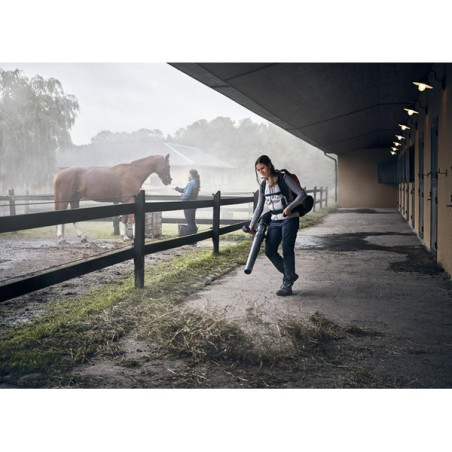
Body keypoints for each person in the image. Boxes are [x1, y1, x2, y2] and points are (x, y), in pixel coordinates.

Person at [249, 155, 307, 296]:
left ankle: (287, 284)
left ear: (269, 165)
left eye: (262, 168)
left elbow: (301, 194)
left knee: (287, 249)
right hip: (274, 220)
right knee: (269, 251)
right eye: (258, 170)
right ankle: (290, 275)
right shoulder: (263, 185)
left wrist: (290, 207)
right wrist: (252, 224)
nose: (261, 171)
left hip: (290, 218)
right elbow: (259, 207)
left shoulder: (284, 178)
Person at [174, 169, 201, 234]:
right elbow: (186, 190)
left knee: (189, 221)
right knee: (192, 221)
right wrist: (177, 189)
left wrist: (181, 196)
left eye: (189, 174)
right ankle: (194, 238)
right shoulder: (196, 182)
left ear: (191, 174)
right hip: (193, 203)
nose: (188, 175)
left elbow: (186, 195)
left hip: (188, 204)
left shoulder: (191, 183)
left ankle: (191, 238)